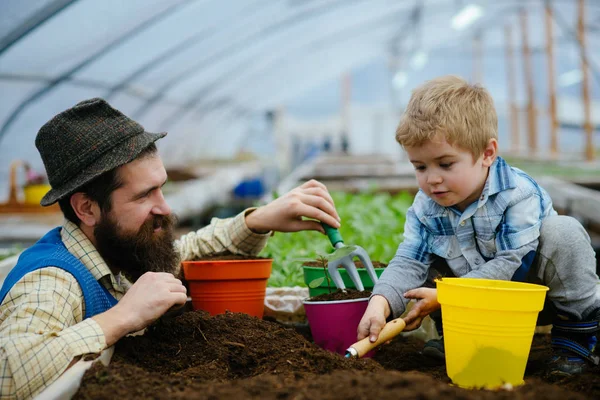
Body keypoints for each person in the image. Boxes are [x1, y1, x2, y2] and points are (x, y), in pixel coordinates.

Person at [0, 98, 341, 399]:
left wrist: (257, 221)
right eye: (143, 195)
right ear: (87, 208)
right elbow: (9, 375)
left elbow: (185, 250)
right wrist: (122, 316)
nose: (164, 207)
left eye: (161, 188)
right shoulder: (51, 281)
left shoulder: (117, 253)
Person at [357, 75, 600, 377]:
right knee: (428, 261)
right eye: (420, 166)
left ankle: (577, 338)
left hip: (536, 296)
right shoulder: (426, 206)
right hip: (475, 306)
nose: (432, 179)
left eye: (445, 164)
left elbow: (510, 263)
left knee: (564, 232)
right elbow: (409, 259)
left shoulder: (517, 193)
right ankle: (461, 337)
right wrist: (380, 302)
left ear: (487, 154)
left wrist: (449, 296)